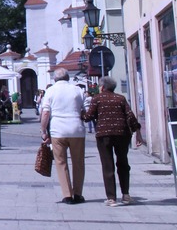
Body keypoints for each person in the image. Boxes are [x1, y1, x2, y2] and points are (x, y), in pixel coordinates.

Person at [83, 77, 144, 207]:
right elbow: (130, 116)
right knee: (123, 163)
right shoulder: (120, 98)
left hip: (103, 135)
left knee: (107, 165)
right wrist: (137, 131)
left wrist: (81, 112)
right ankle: (126, 195)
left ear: (103, 87)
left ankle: (111, 198)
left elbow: (88, 117)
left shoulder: (97, 99)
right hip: (122, 134)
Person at [40, 68, 87, 204]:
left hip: (57, 131)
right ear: (68, 78)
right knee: (78, 162)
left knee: (61, 162)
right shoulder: (77, 90)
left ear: (55, 79)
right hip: (76, 130)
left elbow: (45, 113)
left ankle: (67, 195)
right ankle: (78, 194)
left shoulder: (50, 91)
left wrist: (43, 131)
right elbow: (85, 110)